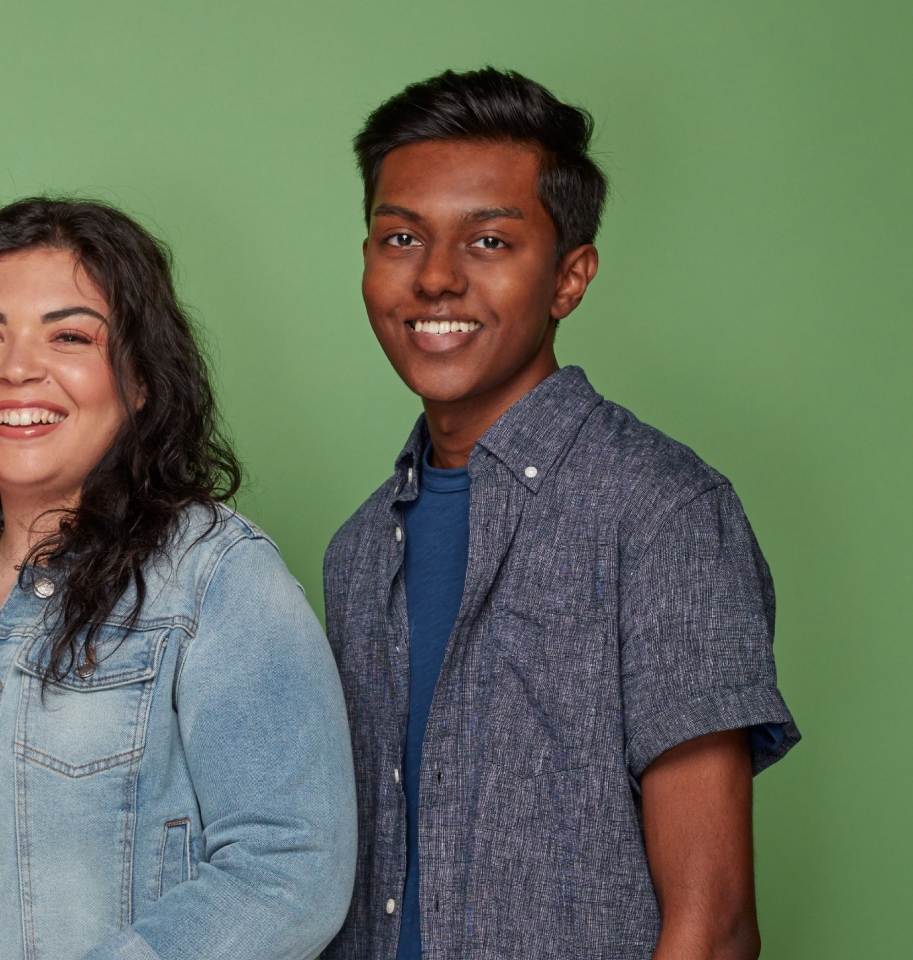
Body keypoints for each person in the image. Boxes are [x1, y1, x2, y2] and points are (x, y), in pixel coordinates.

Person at [318, 69, 801, 960]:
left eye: (490, 241)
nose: (434, 279)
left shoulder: (663, 512)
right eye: (399, 237)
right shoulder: (358, 551)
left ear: (569, 277)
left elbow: (715, 924)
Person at [0, 198, 356, 960]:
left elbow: (290, 870)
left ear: (139, 380)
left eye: (69, 335)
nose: (17, 368)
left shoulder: (214, 578)